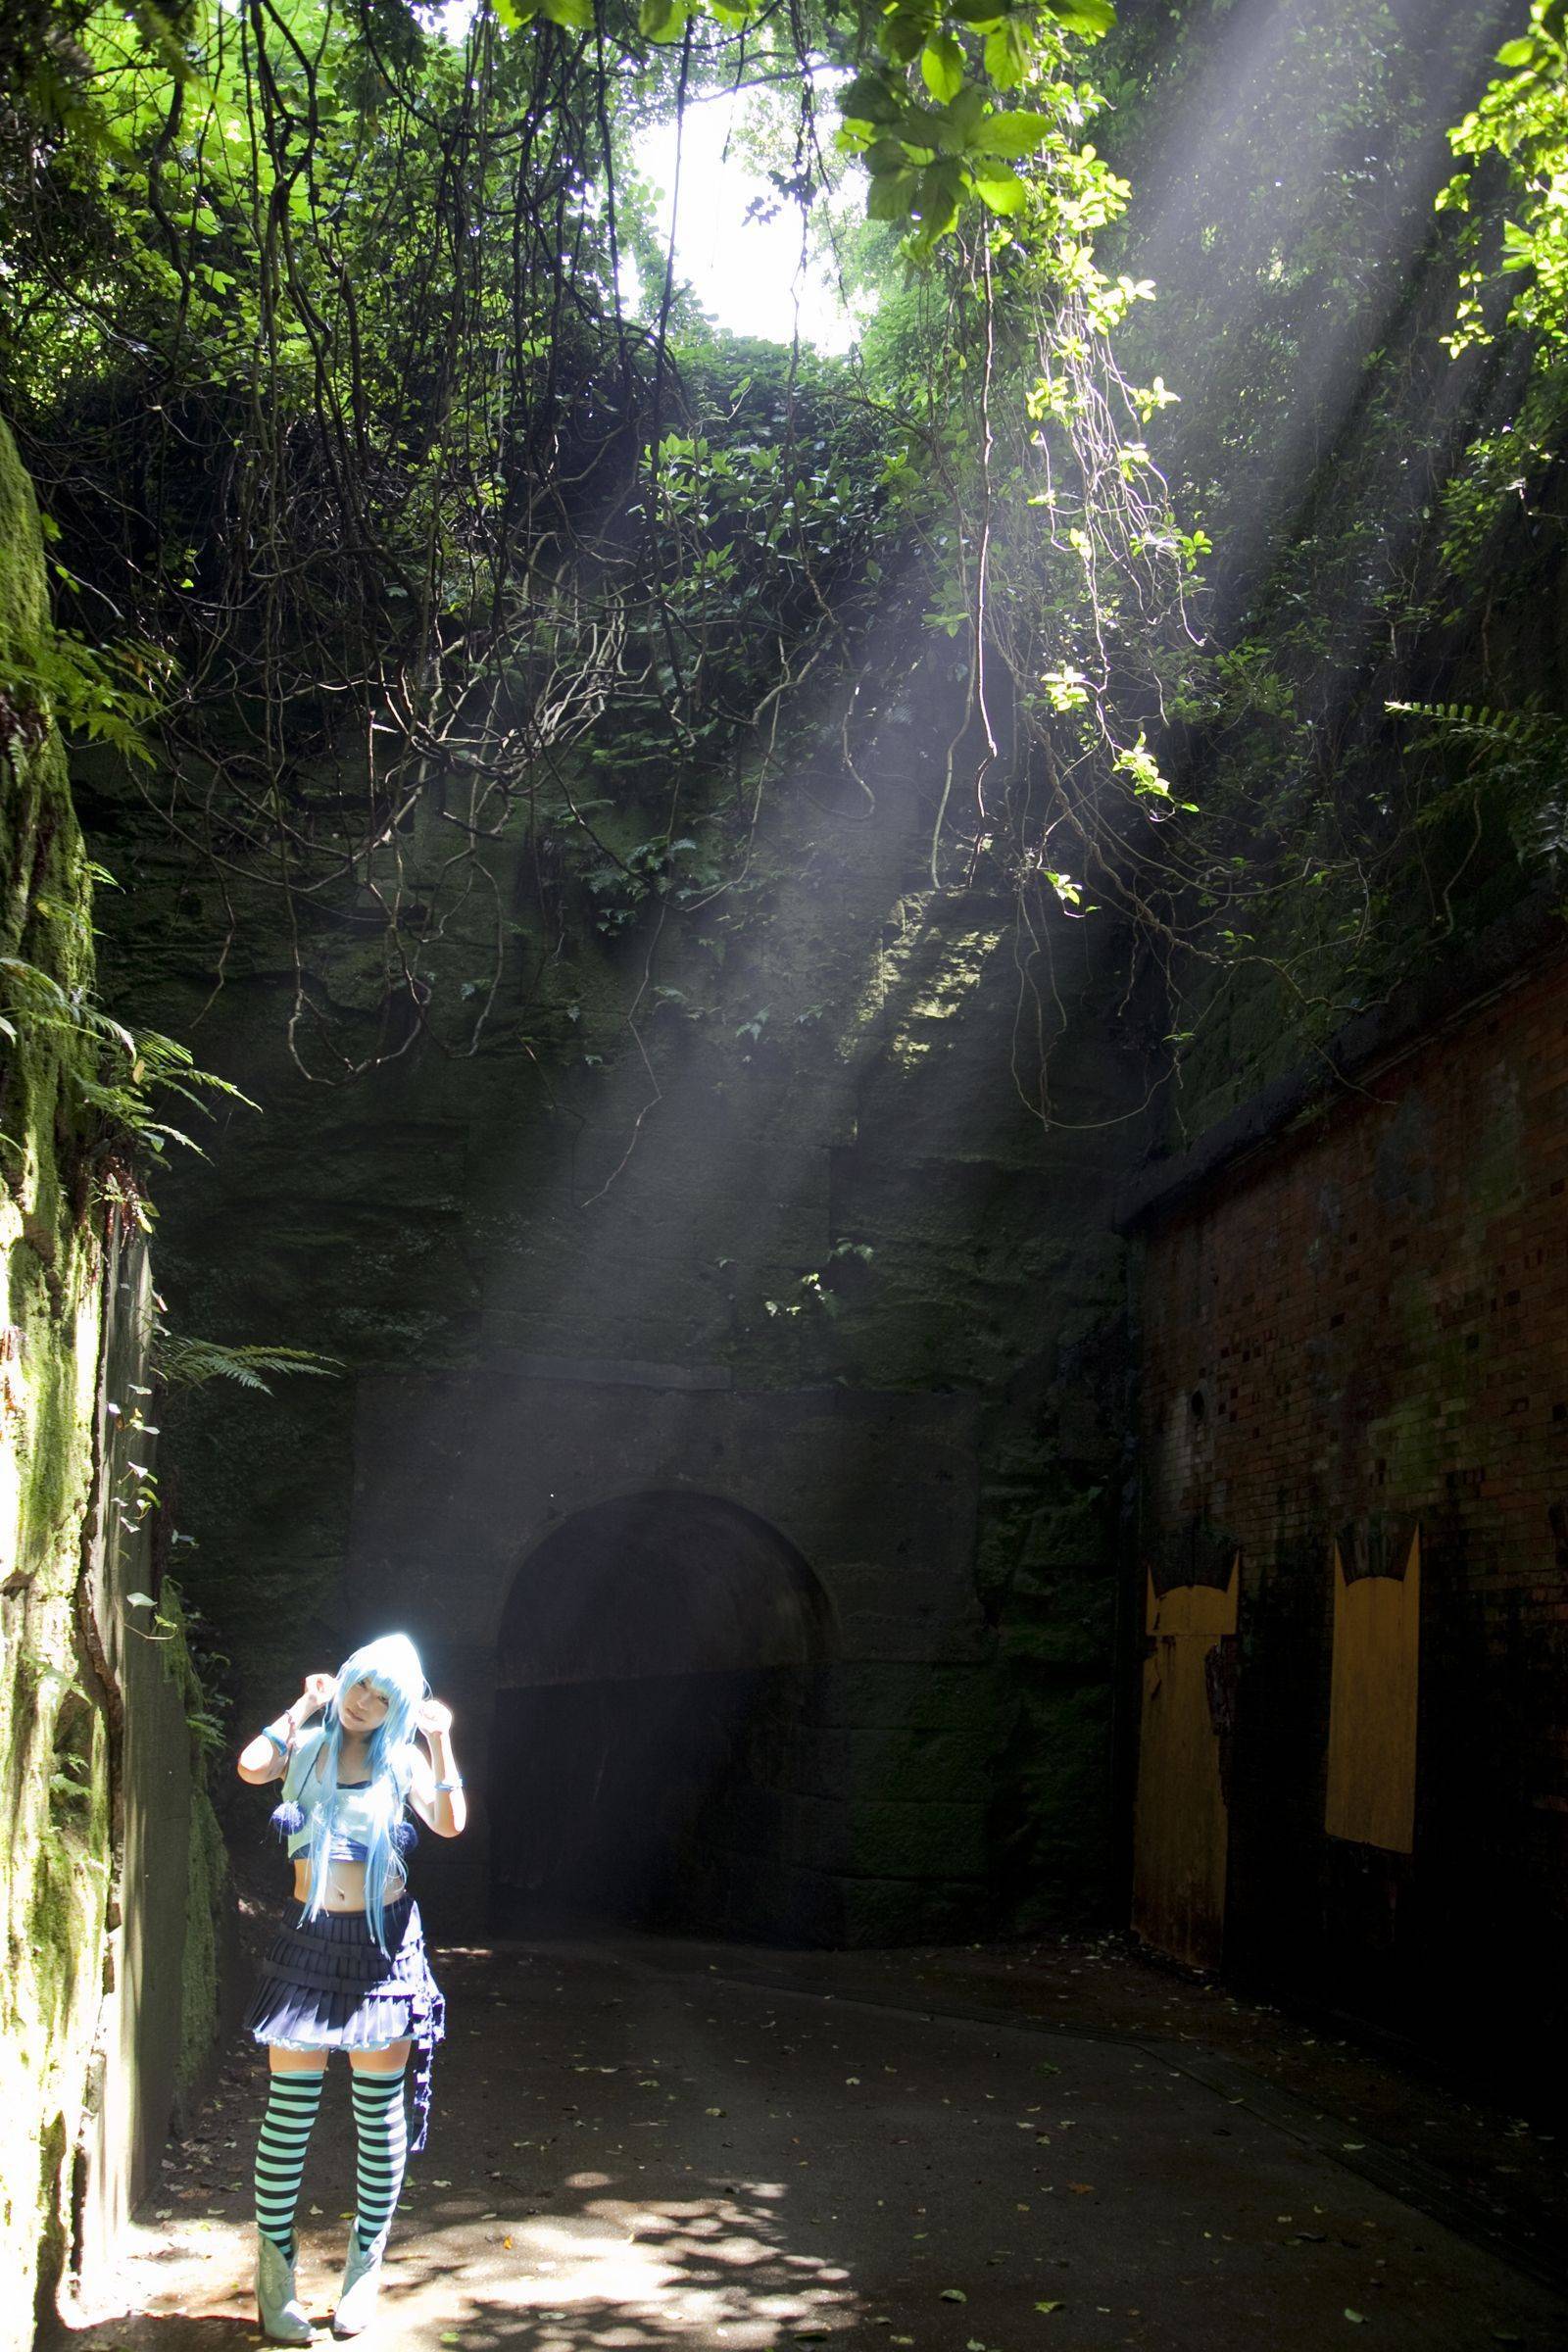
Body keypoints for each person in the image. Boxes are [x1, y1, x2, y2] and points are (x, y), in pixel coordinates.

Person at [236, 1634, 466, 2341]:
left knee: (378, 2114)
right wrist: (306, 1703)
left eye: (384, 1696)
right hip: (309, 1947)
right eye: (360, 1685)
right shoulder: (306, 1749)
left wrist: (442, 1742)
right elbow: (251, 1767)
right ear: (344, 1680)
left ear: (401, 1707)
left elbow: (451, 1823)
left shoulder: (401, 1760)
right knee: (289, 2115)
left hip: (383, 1951)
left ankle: (364, 2269)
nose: (366, 1703)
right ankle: (274, 2280)